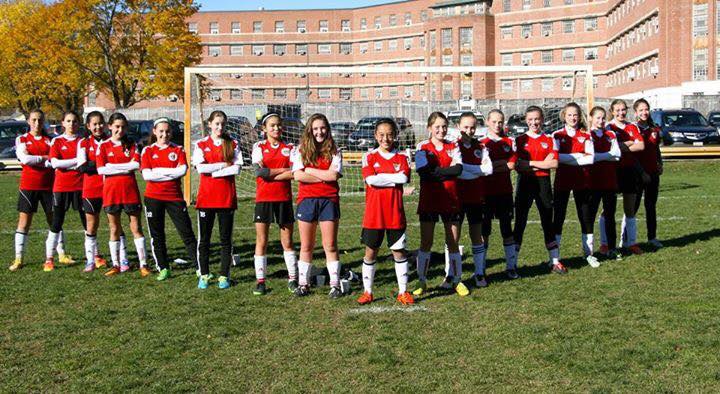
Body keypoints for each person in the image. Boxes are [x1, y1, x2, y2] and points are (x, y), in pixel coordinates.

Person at [357, 118, 414, 305]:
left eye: (389, 134)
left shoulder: (402, 158)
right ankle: (368, 291)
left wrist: (381, 177)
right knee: (370, 253)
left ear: (395, 135)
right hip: (374, 215)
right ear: (375, 135)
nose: (386, 138)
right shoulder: (369, 156)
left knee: (399, 253)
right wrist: (393, 179)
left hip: (395, 214)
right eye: (381, 134)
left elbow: (404, 178)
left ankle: (403, 292)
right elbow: (370, 181)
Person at [413, 112, 469, 297]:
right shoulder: (423, 147)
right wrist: (447, 171)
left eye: (444, 126)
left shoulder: (453, 146)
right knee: (426, 242)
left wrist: (437, 171)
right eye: (437, 126)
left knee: (452, 241)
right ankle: (422, 281)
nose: (441, 130)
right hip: (429, 199)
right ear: (429, 128)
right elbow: (423, 172)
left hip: (451, 199)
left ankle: (455, 280)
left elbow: (458, 169)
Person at [291, 113, 343, 298]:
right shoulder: (300, 150)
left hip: (329, 200)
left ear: (327, 129)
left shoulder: (335, 150)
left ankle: (335, 285)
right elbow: (298, 176)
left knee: (330, 245)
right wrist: (323, 175)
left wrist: (311, 170)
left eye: (322, 128)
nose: (319, 132)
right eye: (315, 129)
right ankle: (303, 284)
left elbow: (333, 176)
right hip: (307, 201)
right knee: (306, 245)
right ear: (309, 131)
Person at [140, 118, 198, 281]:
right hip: (153, 198)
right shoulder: (148, 151)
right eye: (161, 131)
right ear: (155, 132)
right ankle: (163, 268)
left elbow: (182, 171)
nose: (164, 134)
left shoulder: (178, 149)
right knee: (157, 235)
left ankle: (199, 266)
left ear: (171, 133)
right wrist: (169, 172)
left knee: (187, 233)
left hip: (174, 197)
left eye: (167, 131)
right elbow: (146, 175)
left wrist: (157, 172)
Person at [192, 110, 242, 290]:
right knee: (204, 240)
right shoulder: (200, 144)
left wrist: (212, 170)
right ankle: (204, 275)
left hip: (226, 198)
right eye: (217, 123)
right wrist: (222, 165)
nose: (220, 127)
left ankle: (224, 275)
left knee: (225, 240)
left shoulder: (232, 143)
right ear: (210, 124)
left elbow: (237, 168)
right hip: (206, 199)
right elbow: (200, 168)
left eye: (223, 124)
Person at [96, 113, 149, 277]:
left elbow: (135, 164)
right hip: (111, 192)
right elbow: (101, 169)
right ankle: (116, 264)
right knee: (114, 229)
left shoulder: (131, 144)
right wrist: (123, 167)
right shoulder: (103, 146)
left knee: (136, 228)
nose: (120, 130)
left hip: (130, 191)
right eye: (116, 126)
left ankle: (143, 264)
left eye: (123, 127)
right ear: (110, 126)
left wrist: (113, 166)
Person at [251, 112, 297, 295]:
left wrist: (272, 172)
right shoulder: (259, 146)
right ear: (264, 129)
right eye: (272, 125)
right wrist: (283, 170)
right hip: (264, 199)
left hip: (284, 199)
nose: (276, 128)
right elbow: (259, 172)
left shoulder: (290, 147)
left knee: (287, 241)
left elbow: (295, 172)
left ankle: (293, 279)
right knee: (262, 240)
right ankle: (260, 281)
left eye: (278, 125)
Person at [513, 106, 564, 274]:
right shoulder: (519, 140)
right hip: (525, 183)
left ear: (542, 120)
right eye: (531, 119)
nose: (534, 122)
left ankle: (555, 261)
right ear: (526, 120)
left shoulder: (550, 139)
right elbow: (519, 166)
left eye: (537, 119)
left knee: (547, 221)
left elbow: (554, 164)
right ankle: (512, 263)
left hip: (543, 184)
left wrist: (531, 164)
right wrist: (541, 162)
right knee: (520, 222)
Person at [551, 103, 597, 267]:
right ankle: (555, 257)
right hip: (562, 182)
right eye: (569, 115)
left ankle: (589, 254)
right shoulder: (556, 135)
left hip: (582, 181)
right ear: (564, 116)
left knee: (585, 216)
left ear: (579, 116)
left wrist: (567, 157)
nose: (573, 118)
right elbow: (556, 159)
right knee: (559, 218)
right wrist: (578, 155)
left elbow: (590, 159)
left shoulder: (586, 136)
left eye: (575, 115)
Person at [11, 109, 54, 271]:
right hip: (28, 186)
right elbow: (25, 159)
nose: (37, 123)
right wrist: (44, 158)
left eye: (40, 120)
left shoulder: (51, 140)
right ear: (28, 121)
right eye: (34, 120)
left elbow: (55, 160)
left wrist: (38, 159)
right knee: (24, 222)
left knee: (54, 220)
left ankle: (61, 254)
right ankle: (18, 258)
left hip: (49, 186)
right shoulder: (21, 139)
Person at [454, 112, 493, 288]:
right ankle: (452, 274)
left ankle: (479, 273)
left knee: (476, 236)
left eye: (472, 127)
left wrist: (466, 170)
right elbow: (457, 170)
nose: (469, 131)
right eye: (465, 127)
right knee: (453, 237)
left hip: (476, 198)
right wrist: (478, 170)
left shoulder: (482, 147)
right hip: (456, 197)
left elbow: (489, 170)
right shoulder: (453, 146)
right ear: (458, 127)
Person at [44, 111, 86, 271]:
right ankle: (49, 259)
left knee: (87, 222)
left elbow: (85, 162)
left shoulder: (83, 141)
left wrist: (66, 163)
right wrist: (76, 162)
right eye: (68, 121)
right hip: (61, 187)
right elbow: (55, 163)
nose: (72, 124)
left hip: (81, 186)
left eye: (75, 121)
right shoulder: (56, 141)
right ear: (63, 123)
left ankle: (94, 255)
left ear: (79, 123)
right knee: (56, 222)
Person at [479, 109, 519, 281]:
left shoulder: (509, 142)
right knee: (484, 231)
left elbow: (511, 165)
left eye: (500, 122)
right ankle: (481, 269)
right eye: (494, 121)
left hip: (504, 192)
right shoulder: (481, 143)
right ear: (487, 122)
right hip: (485, 193)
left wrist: (492, 166)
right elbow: (481, 168)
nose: (497, 125)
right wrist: (500, 164)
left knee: (506, 230)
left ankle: (511, 267)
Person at [603, 99, 645, 255]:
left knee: (630, 208)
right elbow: (611, 149)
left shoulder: (632, 126)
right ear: (612, 111)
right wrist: (629, 143)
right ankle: (605, 244)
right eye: (617, 110)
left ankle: (630, 242)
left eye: (623, 110)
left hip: (629, 170)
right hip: (612, 171)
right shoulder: (608, 127)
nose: (621, 113)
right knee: (607, 210)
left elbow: (640, 146)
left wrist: (622, 146)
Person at [76, 111, 110, 272]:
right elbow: (83, 166)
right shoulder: (83, 143)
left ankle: (119, 259)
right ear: (88, 126)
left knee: (114, 224)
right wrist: (103, 164)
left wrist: (94, 164)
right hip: (90, 189)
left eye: (100, 123)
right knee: (91, 225)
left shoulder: (111, 141)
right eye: (94, 124)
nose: (98, 127)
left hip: (110, 187)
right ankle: (91, 259)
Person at [587, 106, 621, 260]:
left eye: (603, 118)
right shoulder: (587, 135)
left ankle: (612, 248)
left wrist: (603, 156)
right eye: (598, 118)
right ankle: (589, 251)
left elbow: (618, 155)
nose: (600, 121)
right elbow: (591, 157)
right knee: (590, 216)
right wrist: (608, 155)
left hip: (610, 181)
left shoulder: (611, 134)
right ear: (591, 118)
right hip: (592, 182)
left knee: (610, 215)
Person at [632, 98, 663, 249]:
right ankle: (628, 240)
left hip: (653, 174)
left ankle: (652, 237)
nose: (644, 112)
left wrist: (660, 163)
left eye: (646, 109)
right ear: (635, 112)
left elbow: (656, 149)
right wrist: (641, 172)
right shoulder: (633, 130)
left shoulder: (654, 129)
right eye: (641, 110)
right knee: (633, 207)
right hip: (638, 175)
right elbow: (632, 155)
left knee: (651, 206)